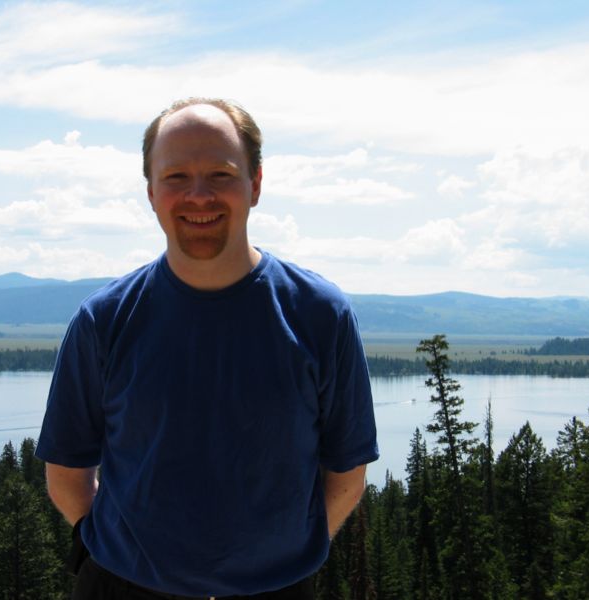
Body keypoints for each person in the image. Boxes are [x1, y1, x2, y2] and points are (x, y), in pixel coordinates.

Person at [36, 97, 379, 599]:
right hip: (121, 587)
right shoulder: (103, 320)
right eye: (176, 177)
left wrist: (281, 560)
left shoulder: (319, 315)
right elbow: (66, 475)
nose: (198, 196)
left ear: (255, 185)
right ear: (151, 192)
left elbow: (347, 471)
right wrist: (124, 557)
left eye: (220, 174)